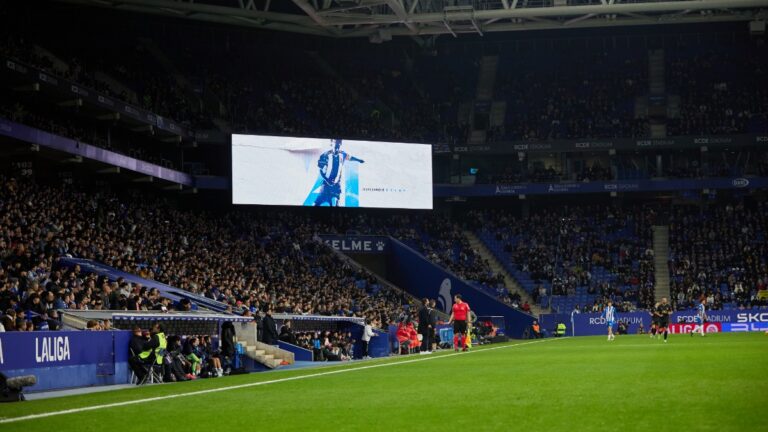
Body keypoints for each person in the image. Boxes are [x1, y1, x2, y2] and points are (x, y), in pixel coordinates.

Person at [314, 139, 365, 207]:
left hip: (336, 185)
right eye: (335, 142)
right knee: (316, 203)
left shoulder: (343, 154)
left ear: (340, 144)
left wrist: (359, 160)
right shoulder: (325, 155)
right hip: (326, 185)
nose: (336, 144)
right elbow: (320, 170)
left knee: (337, 203)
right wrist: (327, 180)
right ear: (331, 143)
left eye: (338, 143)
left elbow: (350, 158)